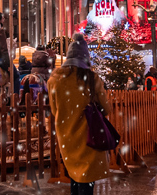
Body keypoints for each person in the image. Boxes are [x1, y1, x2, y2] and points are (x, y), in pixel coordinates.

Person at [48, 33, 112, 195]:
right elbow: (106, 108)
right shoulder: (91, 78)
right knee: (86, 182)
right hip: (87, 136)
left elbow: (55, 111)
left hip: (66, 136)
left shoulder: (55, 80)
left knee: (74, 178)